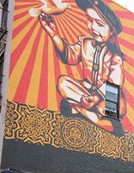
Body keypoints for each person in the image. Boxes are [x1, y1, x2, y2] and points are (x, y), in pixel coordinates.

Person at [37, 0, 126, 135]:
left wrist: (96, 99)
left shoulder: (115, 56)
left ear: (112, 30)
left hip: (105, 98)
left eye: (100, 24)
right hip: (84, 94)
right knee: (63, 82)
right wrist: (53, 33)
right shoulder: (85, 42)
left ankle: (79, 110)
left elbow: (114, 84)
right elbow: (69, 56)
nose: (93, 28)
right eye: (90, 20)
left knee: (116, 106)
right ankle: (93, 117)